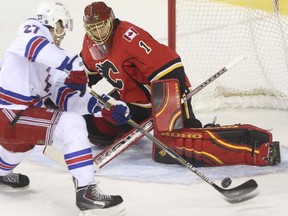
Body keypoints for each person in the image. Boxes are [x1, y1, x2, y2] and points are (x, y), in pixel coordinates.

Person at [0, 1, 130, 213]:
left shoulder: (54, 58)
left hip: (18, 121)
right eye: (62, 26)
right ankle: (87, 192)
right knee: (72, 125)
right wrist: (74, 64)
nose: (62, 34)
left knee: (18, 148)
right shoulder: (31, 29)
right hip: (9, 113)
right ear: (53, 21)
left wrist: (103, 107)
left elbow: (66, 99)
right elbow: (35, 47)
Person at [80, 1, 202, 147]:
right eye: (93, 29)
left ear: (111, 20)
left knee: (177, 135)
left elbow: (170, 68)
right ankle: (117, 128)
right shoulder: (89, 44)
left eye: (101, 26)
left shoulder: (129, 36)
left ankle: (188, 127)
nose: (98, 33)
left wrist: (185, 117)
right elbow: (86, 74)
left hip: (150, 102)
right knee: (92, 125)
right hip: (127, 99)